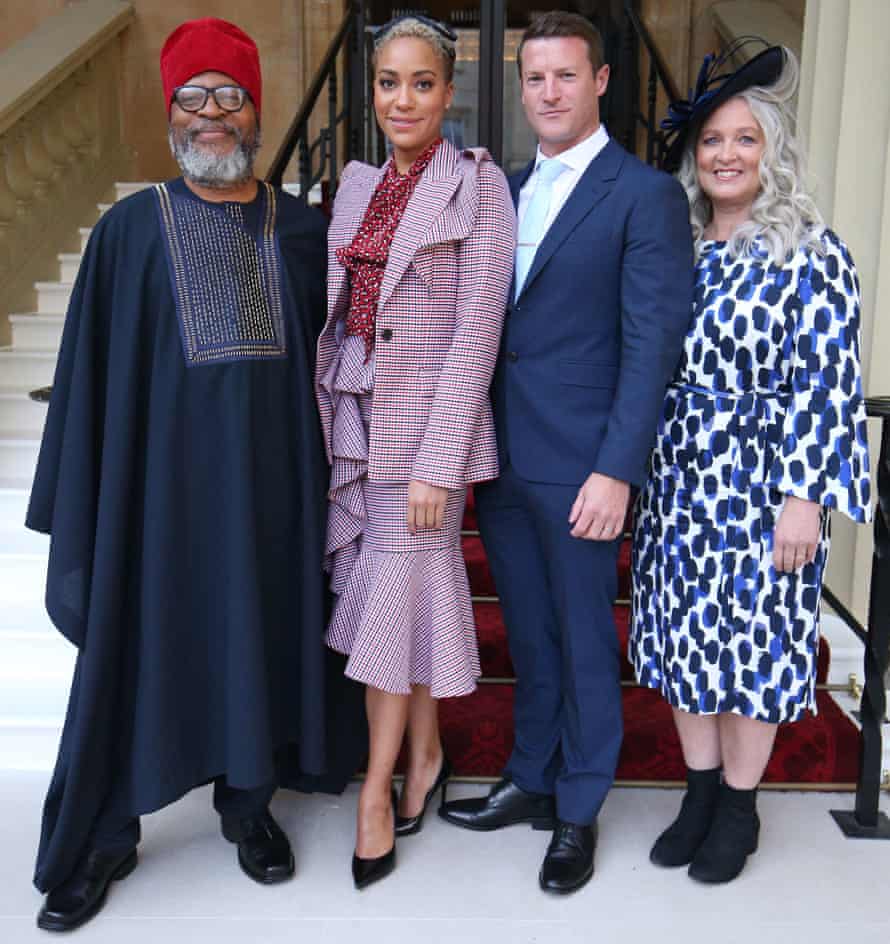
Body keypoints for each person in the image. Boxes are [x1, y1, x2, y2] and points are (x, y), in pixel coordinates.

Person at [27, 17, 363, 932]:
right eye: (194, 98)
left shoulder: (305, 231)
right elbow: (95, 382)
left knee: (256, 638)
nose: (213, 115)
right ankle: (108, 830)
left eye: (232, 97)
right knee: (138, 650)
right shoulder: (129, 232)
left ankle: (247, 807)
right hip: (156, 505)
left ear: (258, 111)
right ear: (171, 112)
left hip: (269, 501)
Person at [438, 11, 694, 894]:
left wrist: (617, 469)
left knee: (586, 641)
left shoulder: (644, 193)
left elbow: (652, 343)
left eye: (564, 76)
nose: (548, 92)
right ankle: (532, 774)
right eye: (534, 77)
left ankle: (578, 809)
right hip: (500, 456)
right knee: (534, 637)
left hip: (584, 464)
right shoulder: (500, 187)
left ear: (601, 83)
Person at [630, 43, 872, 884]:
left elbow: (829, 381)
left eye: (744, 139)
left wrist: (805, 496)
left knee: (755, 647)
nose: (726, 155)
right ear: (692, 157)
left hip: (765, 484)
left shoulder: (810, 251)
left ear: (772, 150)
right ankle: (698, 794)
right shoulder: (677, 246)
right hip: (680, 476)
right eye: (711, 141)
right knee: (683, 639)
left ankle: (739, 805)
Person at [316, 15, 515, 889]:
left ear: (450, 87)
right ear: (374, 90)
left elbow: (477, 335)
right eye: (389, 82)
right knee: (403, 601)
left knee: (392, 610)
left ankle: (375, 792)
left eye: (422, 83)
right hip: (357, 419)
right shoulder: (355, 185)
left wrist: (440, 462)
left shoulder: (480, 188)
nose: (404, 99)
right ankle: (427, 756)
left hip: (426, 436)